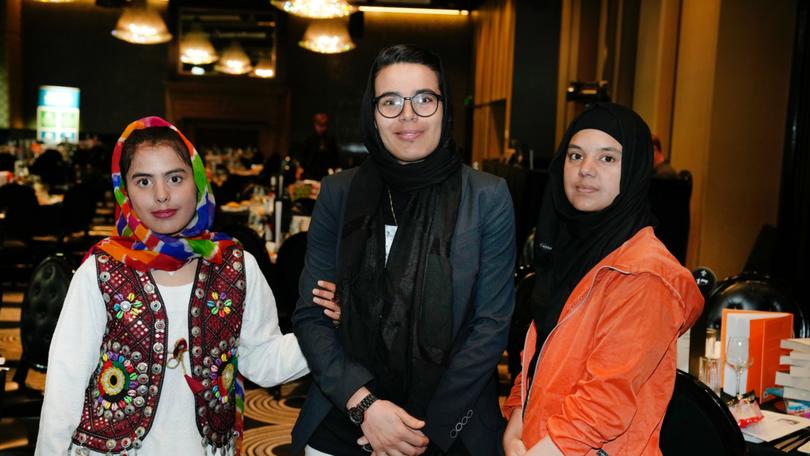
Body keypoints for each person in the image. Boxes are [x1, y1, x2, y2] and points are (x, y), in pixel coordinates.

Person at [36, 116, 309, 455]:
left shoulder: (235, 267)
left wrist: (339, 328)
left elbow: (263, 361)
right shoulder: (102, 269)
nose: (161, 195)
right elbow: (65, 383)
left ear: (197, 181)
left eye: (175, 178)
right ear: (125, 192)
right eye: (144, 181)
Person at [291, 44, 516, 456]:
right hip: (350, 407)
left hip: (448, 418)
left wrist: (415, 433)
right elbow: (311, 314)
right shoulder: (339, 193)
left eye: (423, 99)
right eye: (391, 101)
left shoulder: (487, 197)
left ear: (444, 108)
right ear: (372, 113)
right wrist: (366, 408)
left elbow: (490, 326)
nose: (408, 115)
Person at [501, 103, 703, 455]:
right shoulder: (570, 253)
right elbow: (539, 358)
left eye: (607, 159)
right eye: (575, 156)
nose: (585, 170)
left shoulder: (645, 274)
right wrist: (516, 426)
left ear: (636, 170)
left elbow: (605, 401)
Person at [297, 113, 340, 181]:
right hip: (309, 172)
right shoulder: (309, 138)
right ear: (315, 125)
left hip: (325, 173)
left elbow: (335, 156)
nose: (321, 128)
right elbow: (303, 155)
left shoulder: (330, 139)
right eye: (319, 126)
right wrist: (300, 168)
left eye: (323, 126)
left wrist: (335, 169)